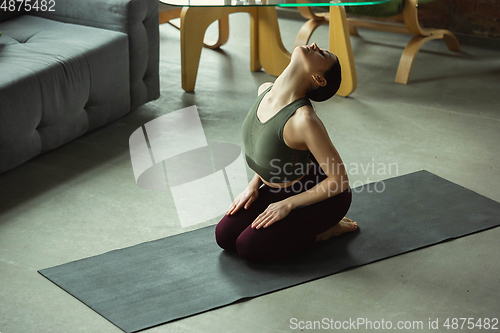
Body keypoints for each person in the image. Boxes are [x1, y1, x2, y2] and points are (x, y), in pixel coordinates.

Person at [215, 43, 358, 262]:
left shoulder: (304, 120)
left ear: (318, 79)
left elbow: (339, 180)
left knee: (248, 247)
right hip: (275, 188)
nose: (314, 45)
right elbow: (272, 151)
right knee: (224, 237)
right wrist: (253, 186)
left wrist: (288, 204)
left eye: (322, 54)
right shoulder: (264, 90)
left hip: (324, 198)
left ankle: (328, 231)